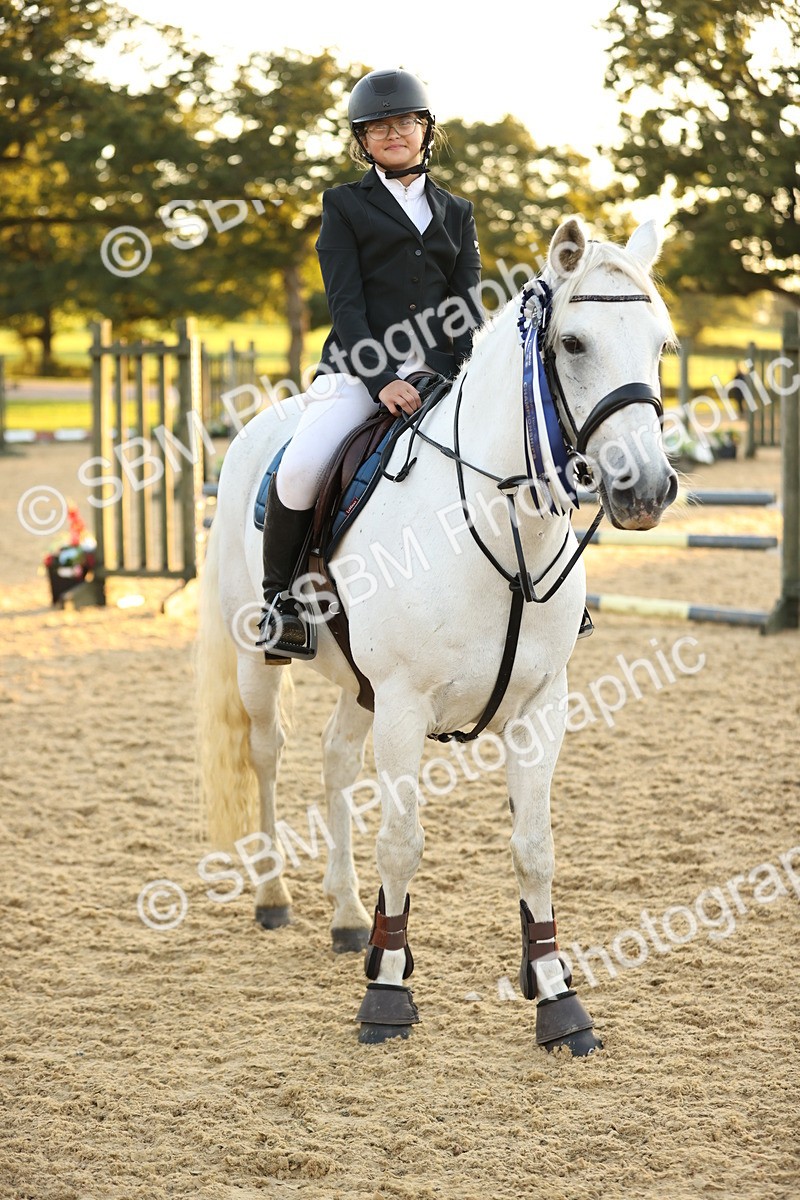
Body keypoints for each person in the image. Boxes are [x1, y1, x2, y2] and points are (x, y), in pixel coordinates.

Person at [257, 67, 483, 660]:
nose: (392, 134)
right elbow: (345, 303)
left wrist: (441, 368)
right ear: (363, 141)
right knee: (302, 465)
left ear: (424, 130)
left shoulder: (457, 211)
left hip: (439, 370)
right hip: (359, 369)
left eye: (403, 122)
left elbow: (465, 303)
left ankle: (542, 588)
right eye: (377, 127)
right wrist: (382, 379)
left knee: (512, 442)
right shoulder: (343, 206)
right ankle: (280, 602)